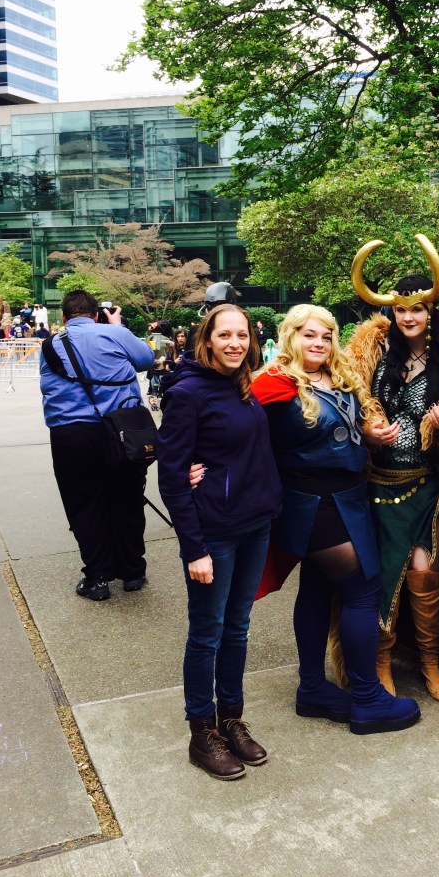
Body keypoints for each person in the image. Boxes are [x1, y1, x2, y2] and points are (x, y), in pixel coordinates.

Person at [196, 305, 421, 735]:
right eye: (308, 335)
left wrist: (368, 435)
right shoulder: (274, 382)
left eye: (326, 335)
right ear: (290, 336)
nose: (318, 343)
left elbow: (340, 429)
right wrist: (196, 460)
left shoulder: (335, 377)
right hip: (313, 503)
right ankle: (368, 698)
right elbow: (225, 421)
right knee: (361, 590)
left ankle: (313, 688)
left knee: (319, 588)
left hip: (346, 497)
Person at [348, 234, 439, 707]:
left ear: (431, 313)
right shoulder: (370, 357)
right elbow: (345, 404)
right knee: (384, 573)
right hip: (378, 484)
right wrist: (368, 429)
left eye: (418, 310)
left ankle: (430, 660)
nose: (408, 317)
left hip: (426, 485)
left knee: (425, 570)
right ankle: (381, 659)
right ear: (391, 314)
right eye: (400, 311)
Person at [157, 305, 282, 781]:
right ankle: (201, 731)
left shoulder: (245, 385)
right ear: (205, 340)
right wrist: (194, 548)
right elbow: (171, 477)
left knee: (238, 628)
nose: (234, 343)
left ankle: (231, 720)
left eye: (242, 335)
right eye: (224, 335)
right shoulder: (187, 394)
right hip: (215, 533)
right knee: (207, 633)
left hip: (255, 525)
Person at [39, 290, 155, 601]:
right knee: (128, 498)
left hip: (71, 434)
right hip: (120, 430)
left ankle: (98, 577)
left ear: (63, 318)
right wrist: (118, 327)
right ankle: (133, 572)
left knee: (84, 504)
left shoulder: (50, 345)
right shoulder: (114, 333)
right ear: (96, 315)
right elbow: (147, 360)